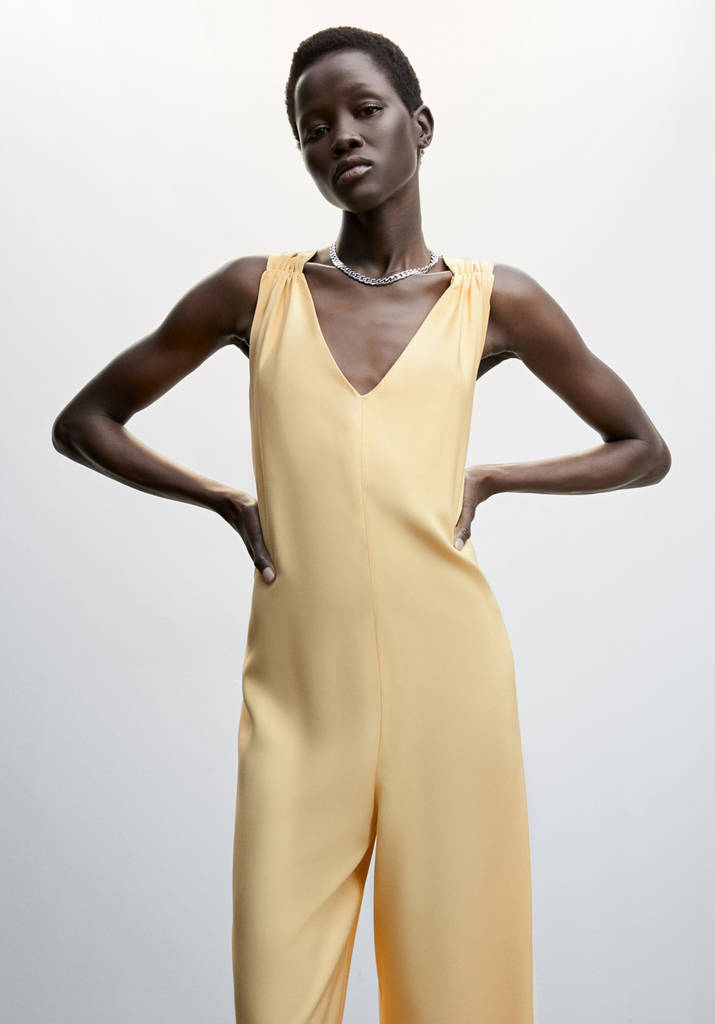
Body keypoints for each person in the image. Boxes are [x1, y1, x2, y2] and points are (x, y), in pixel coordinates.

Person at [52, 24, 671, 1024]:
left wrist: (498, 478)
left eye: (363, 110)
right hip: (301, 697)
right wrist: (225, 500)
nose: (337, 135)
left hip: (451, 685)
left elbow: (642, 448)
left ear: (419, 126)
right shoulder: (254, 294)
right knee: (278, 995)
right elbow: (83, 424)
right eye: (312, 126)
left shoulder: (494, 303)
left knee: (460, 992)